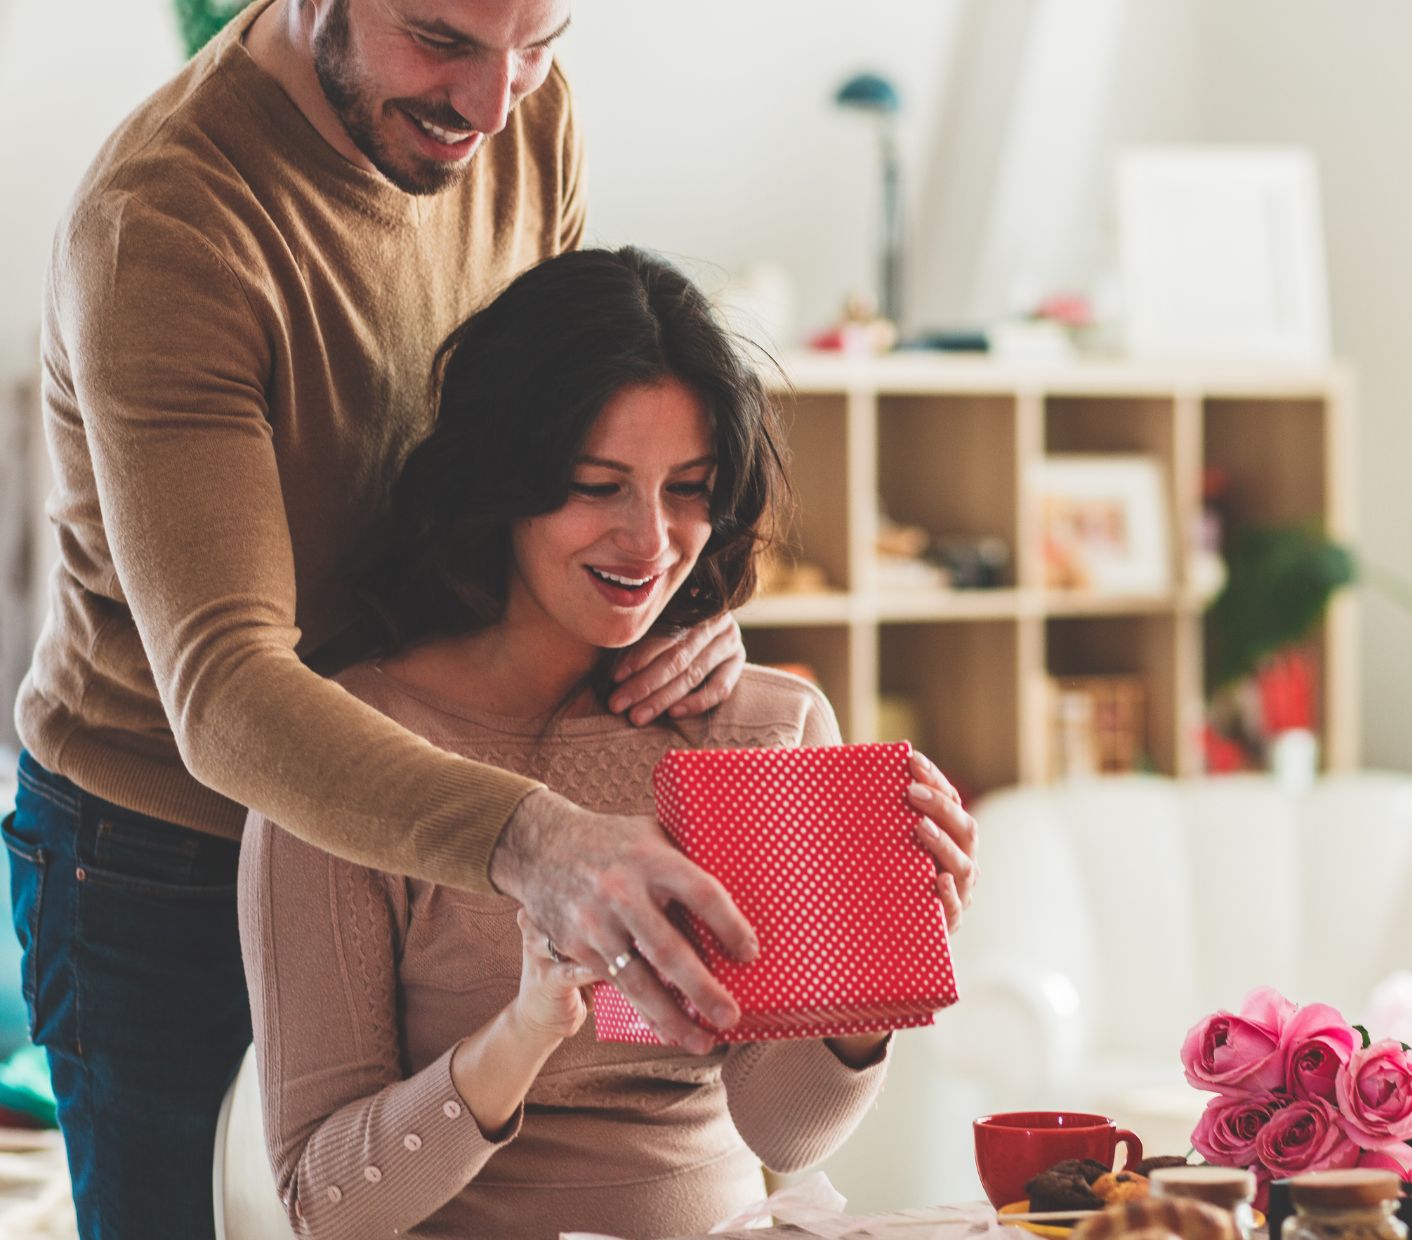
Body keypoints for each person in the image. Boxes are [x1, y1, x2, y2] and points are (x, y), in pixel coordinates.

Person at [7, 2, 788, 1235]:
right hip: (168, 834)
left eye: (536, 41)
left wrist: (681, 604)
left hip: (438, 792)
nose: (492, 104)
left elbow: (548, 430)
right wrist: (540, 844)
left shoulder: (522, 111)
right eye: (443, 42)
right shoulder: (162, 224)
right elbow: (224, 690)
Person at [239, 245, 979, 1238]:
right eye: (598, 485)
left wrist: (872, 977)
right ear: (504, 479)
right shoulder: (350, 754)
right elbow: (323, 1204)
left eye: (688, 487)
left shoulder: (767, 724)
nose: (651, 541)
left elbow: (784, 1131)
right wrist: (525, 1027)